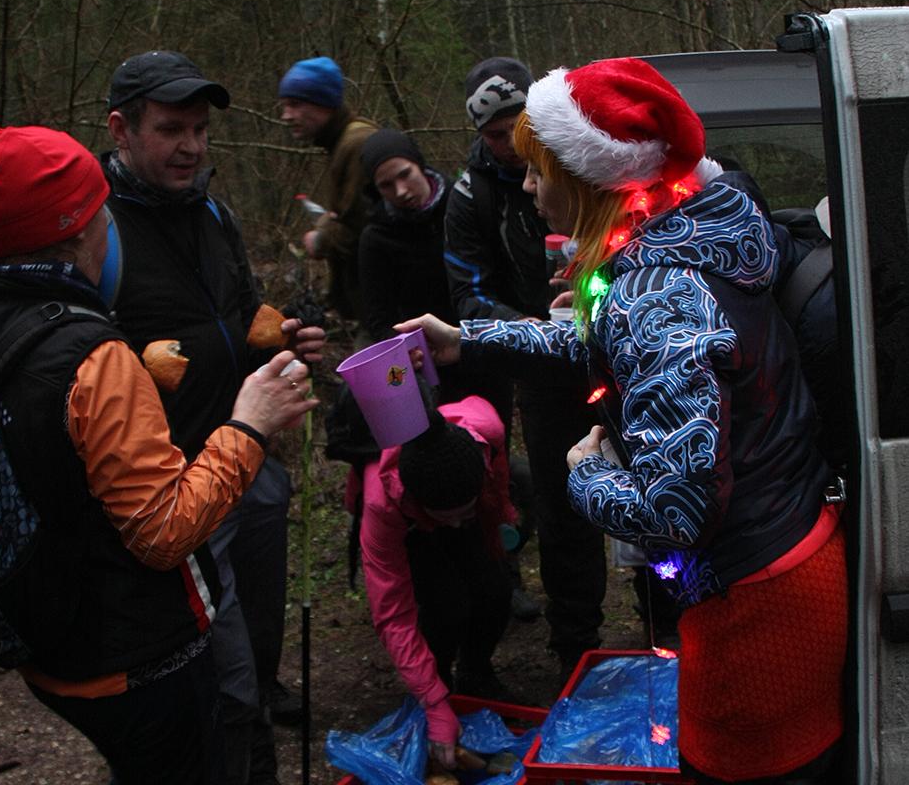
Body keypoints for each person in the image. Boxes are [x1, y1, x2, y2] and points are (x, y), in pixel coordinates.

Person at [398, 57, 847, 784]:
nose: (525, 184)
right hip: (787, 565)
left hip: (755, 619)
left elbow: (670, 516)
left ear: (588, 178)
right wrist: (469, 338)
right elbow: (606, 335)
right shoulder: (695, 237)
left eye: (540, 170)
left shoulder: (659, 292)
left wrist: (587, 475)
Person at [0, 124, 316, 784]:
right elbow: (162, 531)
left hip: (47, 647)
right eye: (102, 213)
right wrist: (250, 424)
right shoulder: (93, 358)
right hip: (137, 658)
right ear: (80, 231)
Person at [103, 50, 323, 783]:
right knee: (219, 671)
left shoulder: (212, 212)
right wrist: (140, 364)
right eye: (171, 129)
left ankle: (260, 695)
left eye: (199, 130)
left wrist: (285, 338)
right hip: (177, 486)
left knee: (256, 636)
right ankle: (245, 757)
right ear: (121, 131)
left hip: (252, 463)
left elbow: (239, 312)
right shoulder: (96, 232)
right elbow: (78, 360)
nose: (192, 146)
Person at [443, 56, 604, 666]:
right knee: (566, 508)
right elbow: (466, 294)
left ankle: (666, 620)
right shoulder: (471, 195)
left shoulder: (581, 157)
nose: (511, 147)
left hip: (610, 346)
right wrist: (528, 326)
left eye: (519, 127)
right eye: (493, 134)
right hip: (538, 368)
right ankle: (575, 649)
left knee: (653, 487)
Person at [359, 396, 513, 770]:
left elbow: (500, 482)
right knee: (445, 605)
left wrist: (497, 523)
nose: (458, 522)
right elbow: (393, 613)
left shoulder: (486, 431)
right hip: (412, 527)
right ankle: (435, 689)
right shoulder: (382, 506)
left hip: (461, 497)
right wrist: (435, 703)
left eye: (463, 512)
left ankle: (476, 672)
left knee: (495, 589)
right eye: (450, 516)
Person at [279, 56, 377, 321]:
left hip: (383, 304)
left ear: (323, 104)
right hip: (368, 303)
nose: (286, 115)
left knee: (390, 364)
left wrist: (321, 239)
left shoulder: (356, 144)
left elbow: (366, 227)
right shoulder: (341, 144)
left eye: (295, 105)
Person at [357, 128, 454, 342]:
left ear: (419, 165)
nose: (401, 191)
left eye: (405, 174)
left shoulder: (462, 204)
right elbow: (379, 318)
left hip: (482, 335)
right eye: (386, 185)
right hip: (426, 352)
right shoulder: (376, 239)